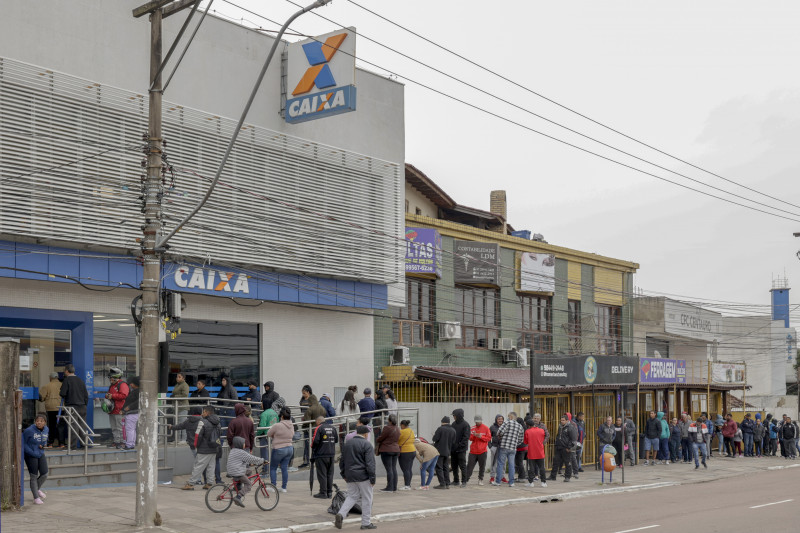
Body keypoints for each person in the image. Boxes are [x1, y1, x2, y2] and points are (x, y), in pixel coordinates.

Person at [334, 425, 376, 530]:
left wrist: (343, 474)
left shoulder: (348, 444)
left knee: (352, 496)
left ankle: (341, 514)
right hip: (363, 476)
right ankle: (366, 523)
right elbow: (370, 463)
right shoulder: (367, 444)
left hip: (350, 475)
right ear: (366, 434)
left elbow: (342, 461)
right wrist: (372, 478)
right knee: (367, 498)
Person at [183, 405, 221, 490]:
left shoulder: (202, 422)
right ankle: (209, 483)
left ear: (207, 412)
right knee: (211, 466)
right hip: (214, 447)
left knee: (198, 466)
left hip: (204, 449)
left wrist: (196, 445)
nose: (202, 413)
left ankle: (191, 483)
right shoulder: (218, 422)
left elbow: (197, 436)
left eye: (203, 412)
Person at [227, 435, 265, 507]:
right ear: (240, 444)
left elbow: (243, 460)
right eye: (243, 443)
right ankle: (238, 497)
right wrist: (262, 460)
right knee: (249, 484)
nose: (245, 444)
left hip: (232, 470)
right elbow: (252, 458)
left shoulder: (233, 450)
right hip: (237, 472)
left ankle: (241, 484)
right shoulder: (241, 452)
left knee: (249, 471)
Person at [59, 364, 89, 447]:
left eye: (64, 371)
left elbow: (62, 393)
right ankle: (84, 445)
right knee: (83, 426)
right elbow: (86, 395)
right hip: (82, 406)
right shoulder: (80, 380)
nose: (64, 372)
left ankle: (73, 446)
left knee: (73, 427)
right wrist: (84, 404)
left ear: (67, 371)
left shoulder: (67, 380)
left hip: (72, 406)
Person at [267, 407, 295, 493]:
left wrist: (275, 436)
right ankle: (284, 488)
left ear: (282, 416)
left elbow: (269, 433)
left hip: (279, 449)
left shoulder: (277, 425)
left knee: (273, 468)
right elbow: (292, 434)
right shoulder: (291, 425)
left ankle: (273, 486)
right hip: (289, 448)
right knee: (284, 468)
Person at [23, 413, 49, 504]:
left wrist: (44, 445)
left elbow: (44, 440)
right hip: (30, 455)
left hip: (40, 453)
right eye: (37, 421)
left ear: (45, 422)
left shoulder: (46, 429)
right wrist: (31, 452)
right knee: (33, 476)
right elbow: (24, 444)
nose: (39, 423)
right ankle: (36, 497)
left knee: (45, 473)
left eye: (41, 421)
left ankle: (36, 489)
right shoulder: (29, 430)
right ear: (35, 422)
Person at [492, 412, 524, 487]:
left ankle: (498, 481)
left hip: (504, 446)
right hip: (513, 448)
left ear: (510, 417)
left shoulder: (507, 423)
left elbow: (499, 432)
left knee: (500, 464)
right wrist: (515, 444)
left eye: (508, 416)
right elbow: (521, 440)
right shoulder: (520, 426)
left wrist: (500, 437)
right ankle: (511, 482)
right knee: (511, 465)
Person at [312, 415, 339, 498]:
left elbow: (315, 441)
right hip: (331, 454)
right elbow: (336, 440)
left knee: (322, 474)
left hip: (321, 454)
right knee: (330, 474)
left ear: (318, 421)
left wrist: (313, 448)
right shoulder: (333, 428)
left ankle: (323, 492)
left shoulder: (319, 428)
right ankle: (329, 492)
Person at [257, 396, 285, 472]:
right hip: (274, 435)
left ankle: (266, 469)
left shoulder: (264, 414)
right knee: (273, 452)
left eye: (262, 404)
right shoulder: (275, 413)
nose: (261, 405)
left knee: (264, 453)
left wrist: (257, 434)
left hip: (265, 436)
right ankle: (273, 468)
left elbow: (262, 426)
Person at [104, 368, 129, 449]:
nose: (110, 379)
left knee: (120, 427)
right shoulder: (112, 385)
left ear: (115, 377)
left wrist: (112, 396)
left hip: (119, 410)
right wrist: (107, 396)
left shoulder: (122, 384)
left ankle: (122, 442)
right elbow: (109, 395)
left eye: (111, 378)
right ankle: (116, 441)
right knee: (114, 427)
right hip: (112, 410)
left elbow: (124, 395)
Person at [376, 414, 401, 492]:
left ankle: (389, 487)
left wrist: (377, 439)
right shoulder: (398, 428)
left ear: (389, 420)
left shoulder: (387, 428)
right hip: (396, 450)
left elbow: (381, 438)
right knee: (393, 468)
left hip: (387, 449)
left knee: (389, 469)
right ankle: (394, 487)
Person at [301, 386, 325, 467]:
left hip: (311, 430)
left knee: (309, 446)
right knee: (319, 445)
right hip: (320, 429)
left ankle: (309, 461)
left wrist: (303, 427)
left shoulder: (310, 409)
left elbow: (307, 422)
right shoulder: (322, 408)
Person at [464, 414, 490, 486]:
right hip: (473, 451)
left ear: (481, 420)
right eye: (476, 422)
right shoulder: (472, 428)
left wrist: (481, 436)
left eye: (479, 421)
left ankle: (480, 479)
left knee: (482, 466)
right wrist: (474, 436)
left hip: (482, 451)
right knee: (469, 466)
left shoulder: (486, 428)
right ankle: (465, 479)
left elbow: (488, 438)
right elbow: (470, 438)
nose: (477, 423)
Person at [548, 415, 576, 482]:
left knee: (567, 463)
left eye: (563, 420)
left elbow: (573, 439)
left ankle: (567, 477)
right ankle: (553, 476)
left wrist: (569, 447)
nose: (562, 421)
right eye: (561, 420)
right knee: (555, 462)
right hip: (559, 447)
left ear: (567, 420)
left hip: (566, 448)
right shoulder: (560, 427)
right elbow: (558, 436)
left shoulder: (571, 427)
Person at [38, 372, 62, 448]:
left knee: (51, 425)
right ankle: (61, 443)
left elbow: (41, 398)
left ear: (50, 378)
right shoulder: (62, 385)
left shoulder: (47, 386)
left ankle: (50, 443)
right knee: (61, 426)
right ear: (57, 377)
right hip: (61, 408)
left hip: (50, 408)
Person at [432, 416, 456, 489]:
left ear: (442, 422)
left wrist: (434, 435)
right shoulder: (453, 430)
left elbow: (435, 439)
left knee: (439, 467)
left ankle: (442, 484)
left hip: (439, 451)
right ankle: (447, 483)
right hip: (448, 451)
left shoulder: (440, 429)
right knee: (446, 467)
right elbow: (454, 442)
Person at [524, 416, 548, 488]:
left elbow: (525, 441)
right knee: (542, 467)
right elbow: (544, 438)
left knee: (531, 468)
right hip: (540, 451)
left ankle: (531, 482)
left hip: (531, 452)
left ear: (528, 425)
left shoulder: (527, 431)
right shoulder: (541, 430)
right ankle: (543, 482)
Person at [450, 408, 470, 487]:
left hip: (461, 449)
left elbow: (466, 437)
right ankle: (456, 480)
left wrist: (459, 445)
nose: (453, 417)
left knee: (462, 465)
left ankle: (464, 481)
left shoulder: (465, 425)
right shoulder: (453, 424)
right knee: (454, 465)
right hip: (453, 449)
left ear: (458, 415)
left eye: (454, 415)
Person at [121, 376, 140, 450]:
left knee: (130, 429)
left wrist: (128, 408)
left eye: (132, 383)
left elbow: (137, 402)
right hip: (133, 412)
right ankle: (131, 444)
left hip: (132, 413)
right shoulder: (136, 391)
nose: (130, 385)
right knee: (132, 429)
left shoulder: (137, 391)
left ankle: (129, 444)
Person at [397, 420, 416, 490]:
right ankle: (408, 484)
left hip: (405, 451)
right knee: (409, 469)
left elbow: (397, 440)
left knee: (405, 469)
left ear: (402, 425)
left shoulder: (401, 431)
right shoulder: (411, 431)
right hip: (413, 450)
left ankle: (407, 485)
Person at [171, 372, 190, 442]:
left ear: (183, 378)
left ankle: (183, 439)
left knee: (183, 423)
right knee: (177, 423)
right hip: (176, 407)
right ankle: (177, 439)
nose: (177, 378)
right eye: (177, 377)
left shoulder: (185, 385)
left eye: (179, 377)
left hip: (183, 407)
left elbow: (185, 395)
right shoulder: (177, 385)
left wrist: (175, 397)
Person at [488, 414, 505, 484]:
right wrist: (490, 446)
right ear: (496, 420)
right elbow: (488, 437)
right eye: (499, 419)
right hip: (494, 447)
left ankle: (502, 477)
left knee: (503, 463)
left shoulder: (505, 426)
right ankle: (492, 477)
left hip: (503, 447)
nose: (500, 420)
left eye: (501, 419)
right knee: (494, 462)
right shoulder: (492, 427)